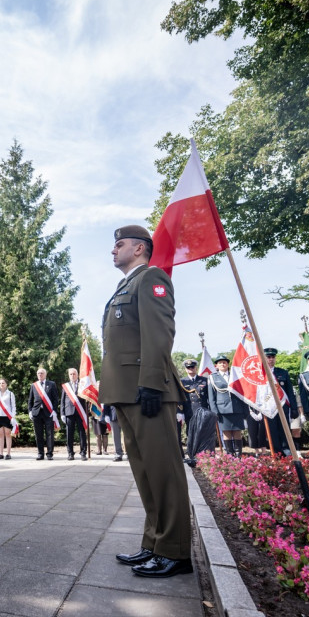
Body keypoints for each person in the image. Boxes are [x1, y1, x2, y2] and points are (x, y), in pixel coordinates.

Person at [103, 225, 191, 579]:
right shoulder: (125, 285)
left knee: (163, 472)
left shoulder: (151, 277)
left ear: (139, 248)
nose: (113, 251)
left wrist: (152, 383)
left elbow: (160, 331)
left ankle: (176, 551)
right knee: (145, 473)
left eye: (119, 245)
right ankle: (155, 543)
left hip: (146, 389)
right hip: (126, 391)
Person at [207, 355, 248, 456]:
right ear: (216, 365)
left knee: (237, 432)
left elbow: (243, 393)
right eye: (220, 362)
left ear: (228, 364)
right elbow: (211, 397)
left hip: (237, 408)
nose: (222, 364)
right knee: (227, 433)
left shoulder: (235, 375)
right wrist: (214, 412)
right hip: (222, 409)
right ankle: (230, 455)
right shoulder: (212, 377)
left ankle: (238, 455)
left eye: (224, 362)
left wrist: (245, 410)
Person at [180, 359, 216, 465]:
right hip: (189, 412)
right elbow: (180, 398)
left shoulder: (204, 380)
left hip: (203, 411)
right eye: (188, 367)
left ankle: (204, 455)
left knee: (204, 434)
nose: (191, 369)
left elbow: (210, 397)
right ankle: (192, 455)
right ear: (186, 369)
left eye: (192, 367)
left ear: (196, 367)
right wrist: (180, 412)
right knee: (190, 433)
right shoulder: (182, 382)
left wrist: (212, 412)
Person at [27, 367, 60, 460]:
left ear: (45, 374)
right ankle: (40, 453)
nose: (40, 375)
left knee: (50, 434)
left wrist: (54, 411)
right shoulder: (34, 385)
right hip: (36, 413)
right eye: (38, 373)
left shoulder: (51, 384)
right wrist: (30, 411)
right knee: (38, 434)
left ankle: (49, 454)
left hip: (48, 413)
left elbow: (55, 399)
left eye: (42, 373)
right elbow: (30, 400)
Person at [60, 368, 89, 460]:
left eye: (74, 374)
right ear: (69, 375)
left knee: (82, 433)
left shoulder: (83, 385)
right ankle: (70, 453)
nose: (73, 376)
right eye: (71, 374)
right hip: (69, 412)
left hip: (81, 412)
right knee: (69, 434)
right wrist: (62, 414)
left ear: (77, 375)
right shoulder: (66, 386)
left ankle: (83, 452)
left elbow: (86, 399)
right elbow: (63, 401)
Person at [0, 378, 16, 459]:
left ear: (6, 384)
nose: (1, 384)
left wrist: (13, 417)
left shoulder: (10, 394)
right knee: (0, 435)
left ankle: (8, 453)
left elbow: (13, 406)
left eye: (3, 383)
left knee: (8, 434)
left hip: (7, 416)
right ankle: (1, 453)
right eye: (0, 383)